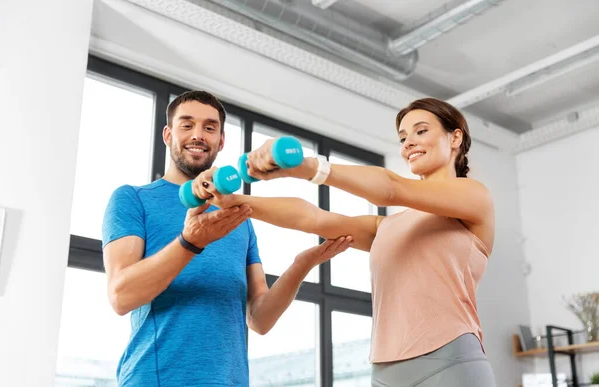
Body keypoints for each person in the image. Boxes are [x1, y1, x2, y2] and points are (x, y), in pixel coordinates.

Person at [194, 97, 497, 386]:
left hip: (450, 361)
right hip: (385, 370)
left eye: (421, 131)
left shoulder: (474, 198)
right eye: (403, 137)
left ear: (455, 138)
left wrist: (310, 167)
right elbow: (312, 218)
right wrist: (234, 201)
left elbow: (391, 188)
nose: (408, 143)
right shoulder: (388, 226)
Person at [101, 90, 353, 387]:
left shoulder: (237, 218)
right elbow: (121, 296)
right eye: (186, 125)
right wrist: (189, 242)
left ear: (221, 141)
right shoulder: (133, 199)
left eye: (209, 127)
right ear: (168, 135)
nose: (198, 135)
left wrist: (302, 264)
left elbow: (259, 320)